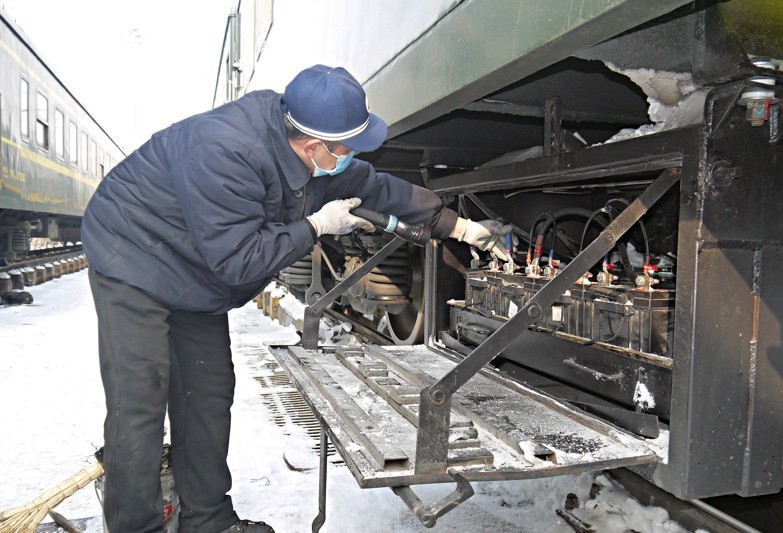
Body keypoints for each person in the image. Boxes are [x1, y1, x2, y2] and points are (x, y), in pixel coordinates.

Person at [81, 64, 509, 532]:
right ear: (314, 147)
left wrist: (461, 228)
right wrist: (315, 226)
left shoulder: (312, 152)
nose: (354, 157)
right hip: (134, 255)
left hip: (195, 268)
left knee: (207, 393)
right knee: (140, 400)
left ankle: (208, 521)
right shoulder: (226, 153)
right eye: (348, 149)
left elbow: (376, 187)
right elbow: (240, 261)